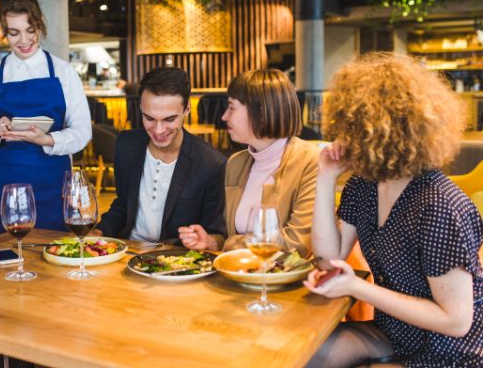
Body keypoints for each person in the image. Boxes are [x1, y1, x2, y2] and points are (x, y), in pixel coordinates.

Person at [305, 53, 483, 367]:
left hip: (449, 350)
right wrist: (326, 177)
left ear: (385, 132)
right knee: (304, 354)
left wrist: (357, 286)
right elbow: (328, 260)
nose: (343, 137)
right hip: (395, 330)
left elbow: (456, 321)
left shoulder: (439, 205)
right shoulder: (364, 185)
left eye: (353, 128)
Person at [0, 0, 91, 232]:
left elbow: (82, 131)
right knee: (5, 256)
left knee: (54, 254)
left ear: (40, 25)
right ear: (3, 30)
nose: (24, 40)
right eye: (14, 33)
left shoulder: (63, 71)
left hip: (53, 182)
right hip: (5, 182)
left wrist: (47, 139)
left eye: (30, 30)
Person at [179, 69, 318, 257]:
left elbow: (297, 245)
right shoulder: (236, 164)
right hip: (239, 276)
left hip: (287, 282)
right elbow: (228, 233)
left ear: (261, 112)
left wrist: (229, 244)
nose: (224, 116)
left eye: (232, 107)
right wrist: (211, 242)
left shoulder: (310, 161)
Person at [95, 67, 227, 246]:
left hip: (177, 261)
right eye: (149, 118)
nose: (158, 130)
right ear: (141, 107)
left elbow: (217, 234)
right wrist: (98, 232)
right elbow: (123, 205)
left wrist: (208, 241)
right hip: (128, 251)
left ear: (187, 108)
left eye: (169, 119)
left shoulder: (211, 163)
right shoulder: (126, 145)